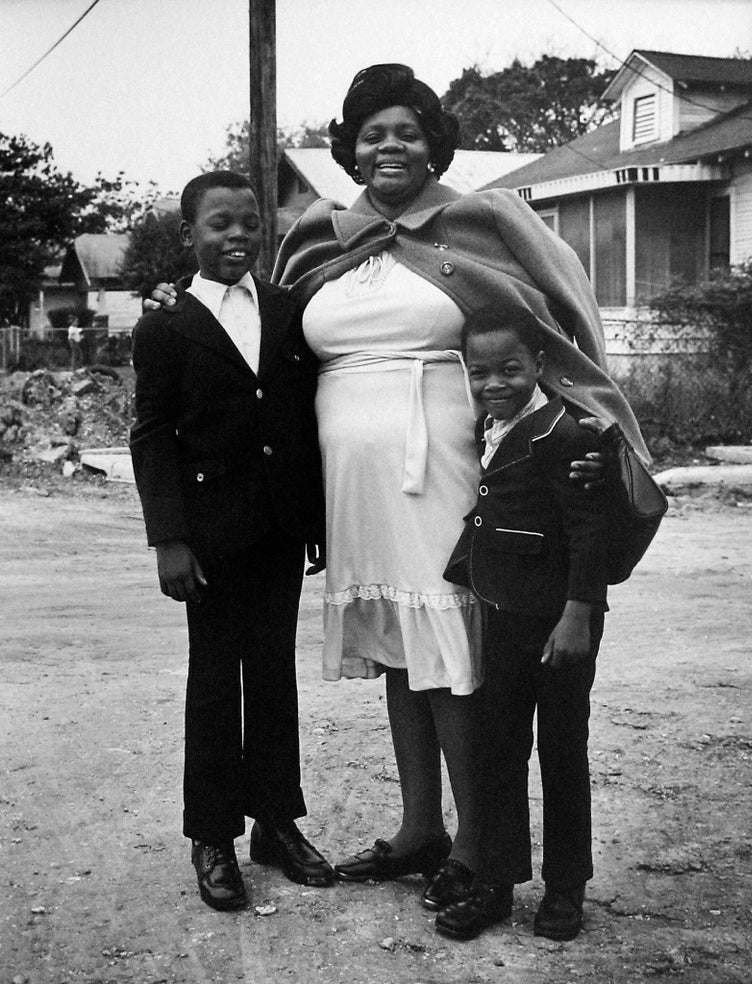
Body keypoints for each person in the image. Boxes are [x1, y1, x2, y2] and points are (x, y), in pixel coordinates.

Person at [149, 64, 645, 917]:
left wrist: (583, 439)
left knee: (452, 651)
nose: (390, 146)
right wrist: (177, 301)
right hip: (350, 482)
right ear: (349, 146)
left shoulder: (485, 224)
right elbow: (253, 328)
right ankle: (420, 828)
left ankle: (477, 845)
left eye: (406, 131)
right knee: (396, 651)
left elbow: (553, 325)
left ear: (432, 141)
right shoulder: (318, 235)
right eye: (373, 133)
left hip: (443, 463)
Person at [130, 171, 333, 912]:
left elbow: (302, 417)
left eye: (249, 223)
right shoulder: (165, 324)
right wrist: (169, 540)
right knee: (216, 682)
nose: (237, 236)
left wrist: (313, 521)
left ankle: (275, 823)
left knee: (274, 673)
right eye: (219, 224)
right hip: (208, 538)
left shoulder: (287, 310)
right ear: (190, 235)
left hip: (279, 529)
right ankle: (211, 835)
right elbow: (151, 433)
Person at [435, 305, 609, 942]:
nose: (494, 383)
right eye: (479, 372)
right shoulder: (488, 424)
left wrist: (578, 614)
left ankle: (566, 889)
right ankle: (496, 885)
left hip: (560, 624)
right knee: (498, 750)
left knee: (563, 753)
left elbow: (589, 531)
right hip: (503, 617)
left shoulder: (569, 432)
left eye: (509, 369)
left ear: (540, 365)